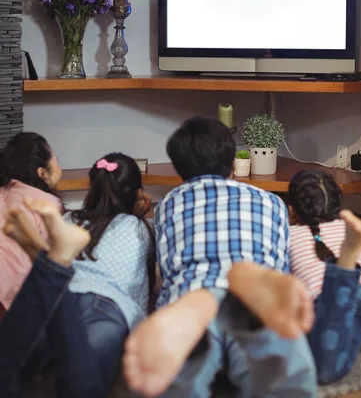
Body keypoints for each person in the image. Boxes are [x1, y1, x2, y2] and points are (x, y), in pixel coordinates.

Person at [123, 116, 317, 398]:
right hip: (254, 296)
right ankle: (249, 284)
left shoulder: (169, 204)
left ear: (180, 169)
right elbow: (280, 259)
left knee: (179, 380)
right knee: (282, 377)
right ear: (232, 162)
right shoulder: (272, 201)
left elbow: (166, 268)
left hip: (192, 290)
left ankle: (196, 306)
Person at [0, 152, 155, 398]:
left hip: (65, 296)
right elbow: (146, 286)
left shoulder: (70, 218)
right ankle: (47, 263)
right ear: (138, 194)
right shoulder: (140, 228)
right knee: (84, 382)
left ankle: (47, 262)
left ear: (92, 187)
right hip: (109, 308)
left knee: (19, 366)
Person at [287, 170, 361, 384]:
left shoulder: (287, 234)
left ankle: (342, 272)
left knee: (325, 368)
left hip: (333, 303)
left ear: (291, 211)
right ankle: (345, 268)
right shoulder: (347, 227)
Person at [0, 132, 62, 311]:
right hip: (13, 299)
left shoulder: (4, 192)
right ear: (42, 173)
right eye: (56, 159)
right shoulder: (45, 204)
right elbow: (52, 264)